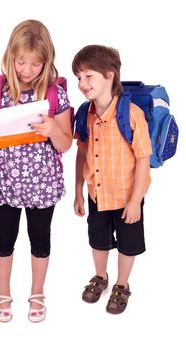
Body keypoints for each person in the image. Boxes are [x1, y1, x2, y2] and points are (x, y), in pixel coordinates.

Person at [0, 19, 72, 323]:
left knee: (40, 239)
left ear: (46, 61)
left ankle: (37, 293)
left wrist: (53, 128)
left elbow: (66, 144)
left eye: (35, 63)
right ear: (10, 56)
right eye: (21, 62)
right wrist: (2, 130)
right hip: (4, 182)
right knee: (4, 238)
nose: (27, 70)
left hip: (43, 185)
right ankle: (3, 292)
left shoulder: (55, 94)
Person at [72, 45, 152, 314]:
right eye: (79, 77)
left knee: (128, 244)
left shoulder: (131, 114)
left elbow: (143, 159)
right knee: (98, 239)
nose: (82, 84)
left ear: (109, 75)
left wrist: (135, 201)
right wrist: (78, 191)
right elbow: (81, 153)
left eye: (88, 76)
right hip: (97, 194)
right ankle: (100, 276)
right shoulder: (85, 114)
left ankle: (122, 283)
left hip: (127, 196)